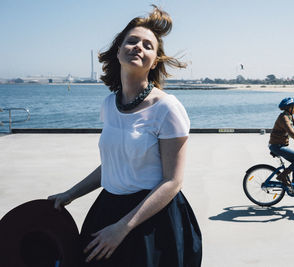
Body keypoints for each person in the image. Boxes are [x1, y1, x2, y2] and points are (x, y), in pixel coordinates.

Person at [48, 6, 202, 267]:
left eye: (147, 45)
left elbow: (172, 182)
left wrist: (122, 228)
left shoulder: (167, 108)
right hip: (107, 209)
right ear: (118, 50)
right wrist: (71, 193)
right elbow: (113, 164)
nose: (138, 47)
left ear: (154, 61)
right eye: (131, 41)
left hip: (152, 221)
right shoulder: (109, 104)